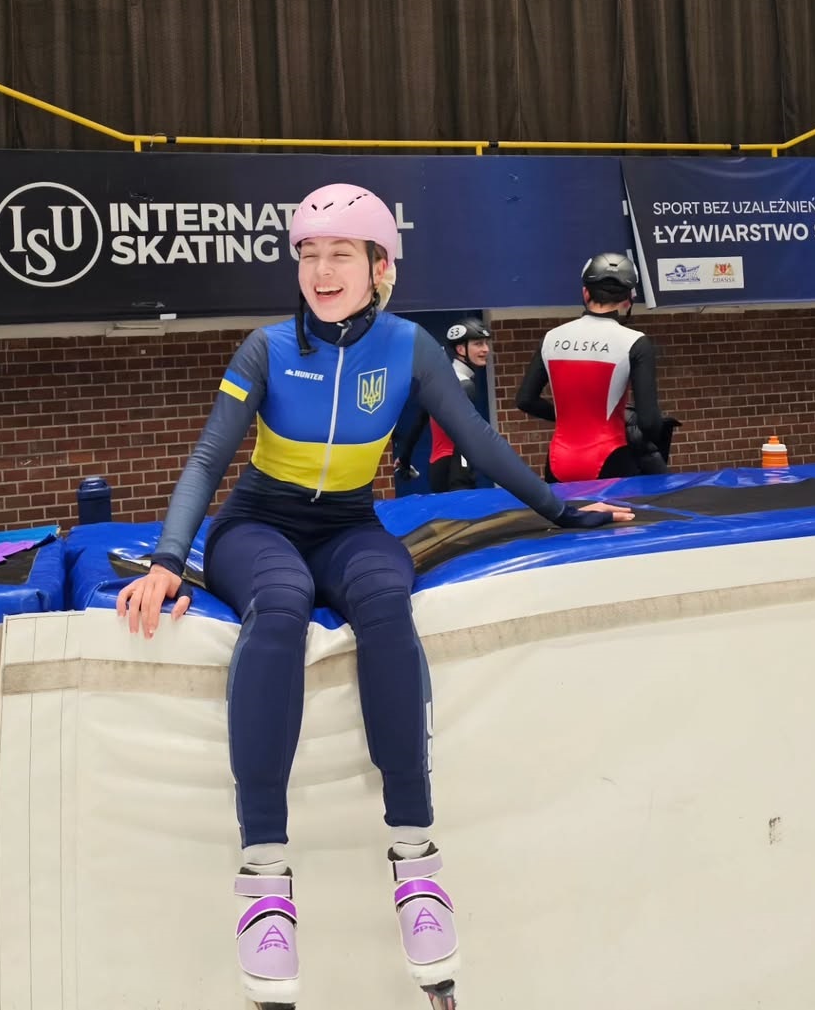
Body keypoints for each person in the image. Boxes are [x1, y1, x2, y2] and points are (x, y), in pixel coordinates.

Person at [116, 184, 633, 1009]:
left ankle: (417, 860)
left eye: (340, 255)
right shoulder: (264, 348)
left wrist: (563, 509)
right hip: (258, 525)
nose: (321, 271)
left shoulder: (408, 349)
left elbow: (480, 441)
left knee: (389, 596)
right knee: (282, 600)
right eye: (309, 255)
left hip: (350, 525)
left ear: (378, 268)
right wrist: (170, 557)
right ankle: (264, 879)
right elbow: (210, 457)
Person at [515, 252, 665, 483]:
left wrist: (568, 417)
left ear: (586, 293)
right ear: (628, 300)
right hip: (611, 457)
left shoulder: (552, 338)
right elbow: (649, 422)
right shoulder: (636, 342)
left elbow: (525, 400)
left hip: (558, 460)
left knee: (565, 509)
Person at [393, 318, 492, 492]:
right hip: (457, 470)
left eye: (485, 343)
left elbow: (419, 421)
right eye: (478, 344)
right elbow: (464, 438)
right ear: (461, 349)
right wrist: (465, 475)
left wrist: (404, 459)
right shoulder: (465, 386)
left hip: (438, 467)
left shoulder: (441, 381)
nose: (486, 349)